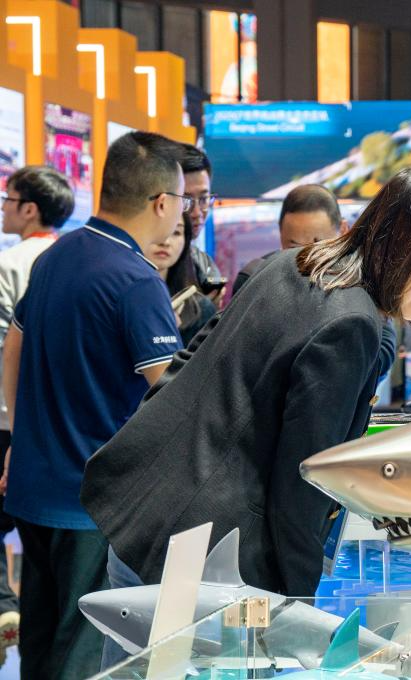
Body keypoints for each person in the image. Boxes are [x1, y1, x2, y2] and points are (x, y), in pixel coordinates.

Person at [80, 169, 411, 634]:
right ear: (401, 243)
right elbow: (303, 483)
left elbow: (185, 365)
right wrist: (297, 604)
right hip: (207, 566)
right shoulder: (352, 323)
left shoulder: (288, 263)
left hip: (146, 521)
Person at [0, 131, 185, 678]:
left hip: (35, 490)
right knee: (86, 655)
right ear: (161, 202)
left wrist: (19, 438)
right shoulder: (135, 280)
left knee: (40, 645)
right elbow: (172, 392)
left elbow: (13, 346)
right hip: (95, 504)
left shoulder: (56, 257)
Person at [0, 165, 75, 659]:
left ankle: (5, 602)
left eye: (8, 200)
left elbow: (5, 344)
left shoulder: (10, 263)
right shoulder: (71, 260)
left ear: (29, 209)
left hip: (9, 416)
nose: (4, 209)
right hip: (61, 425)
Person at [230, 183, 397, 379]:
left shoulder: (358, 279)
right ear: (280, 234)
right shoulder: (255, 278)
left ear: (343, 230)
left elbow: (384, 348)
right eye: (293, 247)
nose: (306, 257)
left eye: (318, 245)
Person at [146, 213, 217, 347]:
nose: (165, 242)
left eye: (176, 232)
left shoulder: (200, 309)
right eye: (157, 229)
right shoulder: (118, 297)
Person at [178, 143, 226, 301]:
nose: (197, 213)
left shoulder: (205, 263)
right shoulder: (152, 262)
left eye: (204, 199)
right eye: (186, 200)